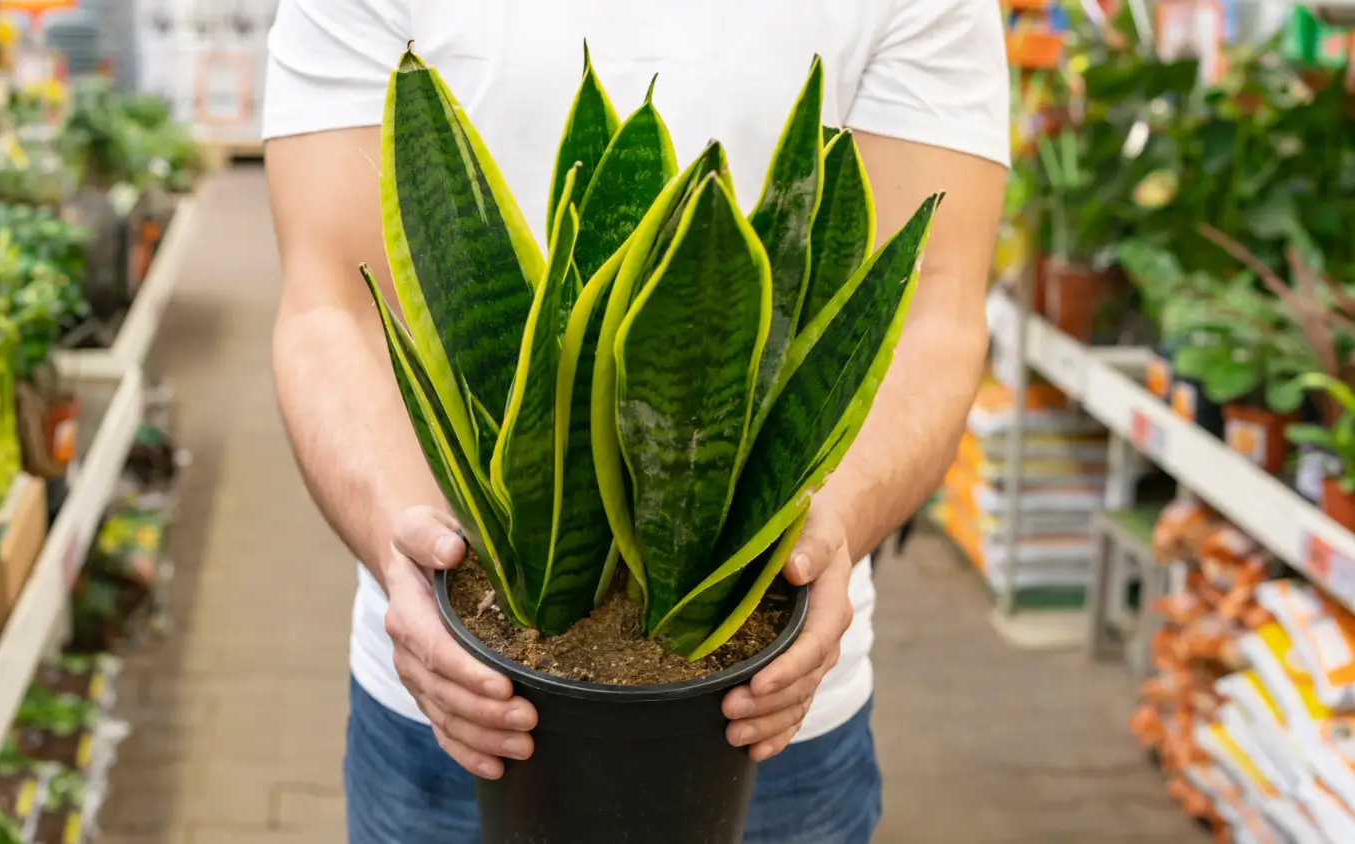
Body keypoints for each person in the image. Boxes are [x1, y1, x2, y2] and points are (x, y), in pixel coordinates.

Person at [262, 2, 1007, 842]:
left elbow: (931, 307)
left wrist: (820, 532)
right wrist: (405, 549)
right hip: (452, 702)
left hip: (770, 721)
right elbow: (329, 305)